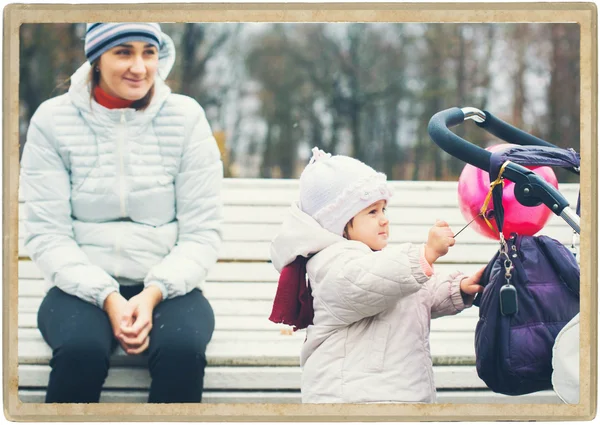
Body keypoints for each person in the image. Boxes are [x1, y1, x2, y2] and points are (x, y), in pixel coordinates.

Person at [20, 23, 223, 403]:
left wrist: (152, 294)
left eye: (148, 52)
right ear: (97, 58)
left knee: (182, 353)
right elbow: (47, 234)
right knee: (81, 353)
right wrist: (107, 297)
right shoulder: (53, 121)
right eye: (123, 52)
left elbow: (202, 232)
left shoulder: (186, 118)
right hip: (78, 288)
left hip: (169, 288)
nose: (140, 66)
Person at [269, 147, 485, 403]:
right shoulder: (331, 266)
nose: (384, 220)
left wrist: (459, 288)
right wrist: (425, 254)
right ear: (338, 223)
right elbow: (367, 283)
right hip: (350, 407)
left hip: (395, 401)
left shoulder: (379, 263)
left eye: (384, 210)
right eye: (372, 212)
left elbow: (415, 294)